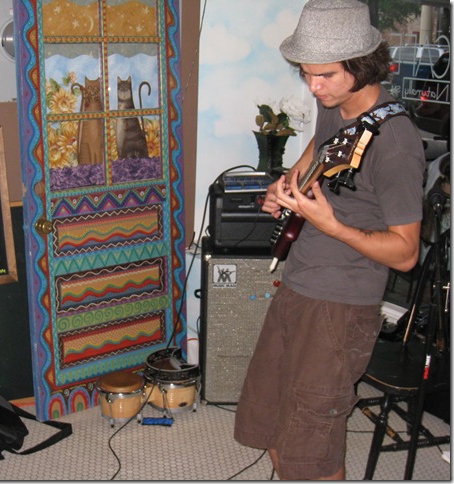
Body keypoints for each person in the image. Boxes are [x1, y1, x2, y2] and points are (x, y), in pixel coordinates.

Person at [233, 0, 425, 480]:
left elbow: (406, 254)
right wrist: (287, 185)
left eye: (324, 75)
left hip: (341, 305)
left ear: (362, 66)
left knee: (312, 446)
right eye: (306, 74)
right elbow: (318, 148)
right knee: (271, 415)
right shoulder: (335, 105)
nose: (313, 87)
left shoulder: (396, 144)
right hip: (300, 280)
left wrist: (332, 224)